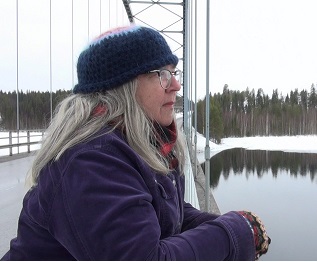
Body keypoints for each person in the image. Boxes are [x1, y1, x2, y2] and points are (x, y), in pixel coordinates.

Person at [1, 25, 270, 260]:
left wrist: (226, 226)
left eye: (175, 73)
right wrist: (232, 233)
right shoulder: (91, 161)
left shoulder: (139, 143)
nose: (176, 85)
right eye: (162, 74)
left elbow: (165, 215)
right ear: (124, 87)